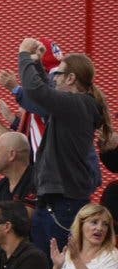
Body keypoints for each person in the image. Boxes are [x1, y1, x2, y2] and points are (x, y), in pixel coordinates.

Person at [16, 41, 111, 254]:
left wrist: (23, 55)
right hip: (56, 201)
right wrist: (38, 65)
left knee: (57, 268)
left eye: (58, 74)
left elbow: (37, 91)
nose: (54, 78)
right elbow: (45, 94)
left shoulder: (77, 104)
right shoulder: (73, 105)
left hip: (64, 203)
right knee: (46, 266)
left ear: (71, 78)